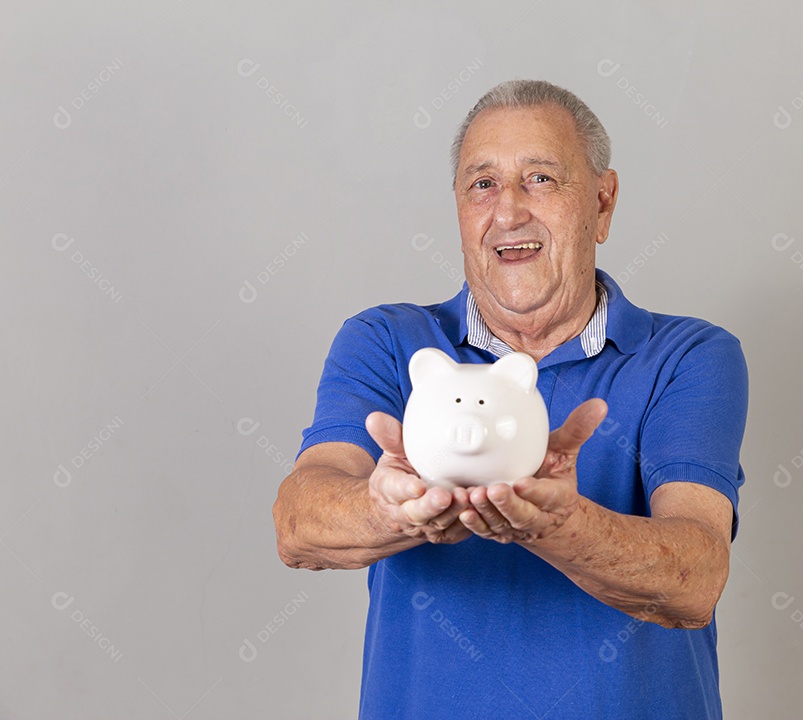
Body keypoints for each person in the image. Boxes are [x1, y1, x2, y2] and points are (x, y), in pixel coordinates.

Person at [273, 79, 749, 719]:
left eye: (542, 180)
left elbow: (695, 578)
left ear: (603, 204)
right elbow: (299, 525)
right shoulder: (389, 342)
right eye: (482, 185)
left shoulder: (688, 355)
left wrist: (559, 524)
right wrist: (394, 507)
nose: (508, 212)